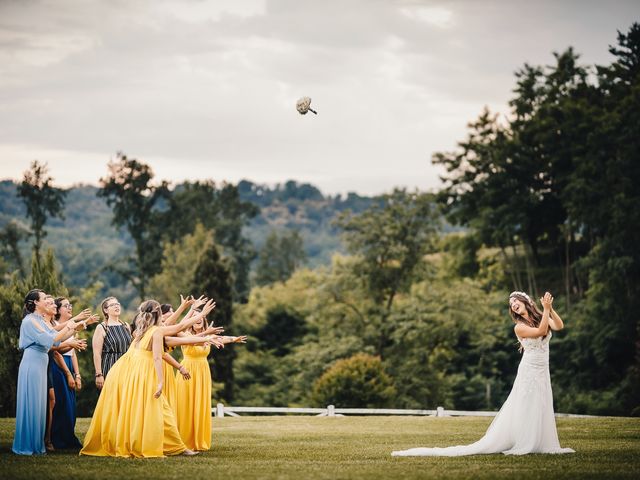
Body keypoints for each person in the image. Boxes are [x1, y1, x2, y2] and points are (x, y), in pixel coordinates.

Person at [392, 291, 574, 457]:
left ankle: (540, 441)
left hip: (543, 369)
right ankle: (525, 441)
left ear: (525, 301)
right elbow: (542, 331)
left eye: (515, 301)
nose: (513, 305)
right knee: (527, 403)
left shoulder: (540, 316)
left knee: (541, 402)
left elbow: (558, 326)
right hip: (529, 370)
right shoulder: (519, 327)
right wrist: (546, 309)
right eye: (510, 304)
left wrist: (550, 310)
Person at [80, 297, 219, 458]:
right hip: (141, 372)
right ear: (158, 313)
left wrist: (205, 338)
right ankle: (173, 446)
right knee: (155, 408)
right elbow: (161, 353)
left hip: (125, 371)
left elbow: (179, 339)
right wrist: (160, 381)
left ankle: (176, 446)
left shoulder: (143, 329)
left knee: (153, 409)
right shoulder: (155, 330)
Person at [12, 289, 93, 455]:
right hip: (32, 363)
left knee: (40, 405)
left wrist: (77, 326)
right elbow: (49, 340)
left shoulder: (39, 320)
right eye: (44, 299)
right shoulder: (29, 321)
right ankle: (26, 444)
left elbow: (58, 336)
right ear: (36, 303)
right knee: (32, 403)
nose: (49, 302)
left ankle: (37, 444)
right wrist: (71, 324)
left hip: (41, 364)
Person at [175, 303, 246, 451]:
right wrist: (207, 336)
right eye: (194, 318)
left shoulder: (208, 336)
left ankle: (198, 441)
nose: (197, 320)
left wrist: (235, 339)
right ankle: (184, 441)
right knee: (186, 404)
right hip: (187, 370)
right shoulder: (185, 335)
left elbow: (222, 338)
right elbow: (190, 335)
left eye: (199, 317)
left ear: (204, 319)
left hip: (203, 371)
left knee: (200, 403)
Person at [50, 297, 98, 449]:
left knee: (71, 405)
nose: (70, 308)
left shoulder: (70, 327)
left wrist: (77, 374)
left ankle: (68, 437)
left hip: (69, 363)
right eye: (66, 306)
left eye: (70, 305)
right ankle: (57, 439)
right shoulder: (55, 326)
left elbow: (73, 352)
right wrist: (68, 374)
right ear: (58, 310)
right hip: (58, 365)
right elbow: (56, 353)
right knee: (61, 403)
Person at [92, 297, 132, 389]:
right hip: (110, 366)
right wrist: (99, 374)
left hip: (127, 368)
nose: (116, 306)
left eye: (118, 304)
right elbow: (97, 354)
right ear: (106, 310)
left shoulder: (126, 326)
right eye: (113, 305)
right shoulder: (102, 327)